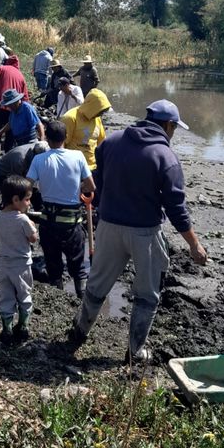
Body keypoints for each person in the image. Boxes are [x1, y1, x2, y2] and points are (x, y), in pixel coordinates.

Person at [68, 100, 207, 362]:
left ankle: (79, 332)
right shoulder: (166, 158)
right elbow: (176, 208)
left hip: (108, 226)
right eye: (174, 128)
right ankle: (135, 351)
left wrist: (95, 205)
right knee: (147, 294)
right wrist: (194, 244)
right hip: (144, 233)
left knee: (97, 284)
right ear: (168, 125)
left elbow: (98, 183)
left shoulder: (111, 143)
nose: (173, 133)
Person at [27, 120, 95, 297]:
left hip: (49, 223)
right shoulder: (78, 156)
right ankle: (82, 301)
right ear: (66, 137)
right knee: (78, 267)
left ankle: (59, 301)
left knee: (54, 267)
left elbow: (27, 187)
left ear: (47, 139)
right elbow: (91, 186)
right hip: (72, 225)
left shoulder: (39, 159)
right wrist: (77, 189)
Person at [0, 175, 37, 344]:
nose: (29, 203)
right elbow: (32, 238)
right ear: (16, 200)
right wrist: (33, 227)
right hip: (21, 264)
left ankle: (6, 330)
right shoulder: (23, 219)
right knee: (24, 295)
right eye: (27, 200)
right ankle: (23, 327)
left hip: (3, 264)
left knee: (6, 296)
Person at [61, 88, 111, 173]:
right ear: (92, 107)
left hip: (93, 167)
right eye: (100, 111)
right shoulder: (70, 118)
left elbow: (101, 143)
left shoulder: (97, 119)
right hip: (74, 167)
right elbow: (61, 145)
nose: (101, 114)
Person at [0, 54, 29, 149]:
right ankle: (7, 154)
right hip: (13, 109)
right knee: (11, 133)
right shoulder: (21, 75)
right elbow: (25, 96)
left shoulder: (2, 68)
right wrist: (24, 112)